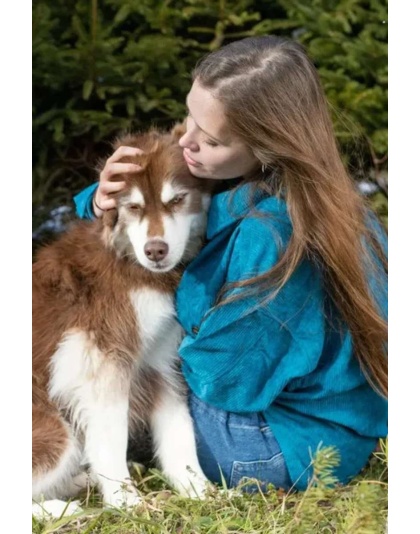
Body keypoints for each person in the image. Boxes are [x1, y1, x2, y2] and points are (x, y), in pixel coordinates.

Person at [74, 36, 388, 492]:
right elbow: (160, 203)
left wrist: (147, 345)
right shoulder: (296, 190)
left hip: (269, 443)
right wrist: (101, 199)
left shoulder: (274, 236)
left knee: (106, 377)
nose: (185, 142)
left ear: (268, 145)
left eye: (211, 139)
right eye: (190, 118)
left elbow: (227, 382)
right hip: (313, 426)